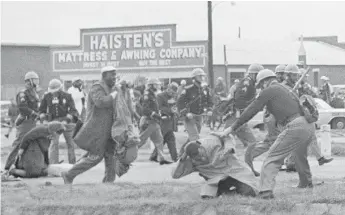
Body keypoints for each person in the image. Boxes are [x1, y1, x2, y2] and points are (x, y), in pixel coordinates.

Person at [214, 69, 318, 199]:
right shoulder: (284, 88)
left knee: (272, 158)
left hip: (295, 124)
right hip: (308, 125)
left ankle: (265, 191)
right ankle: (306, 183)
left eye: (261, 85)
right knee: (299, 155)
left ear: (266, 81)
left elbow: (251, 110)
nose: (260, 88)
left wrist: (231, 128)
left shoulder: (269, 90)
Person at [61, 66, 119, 184]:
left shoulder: (112, 88)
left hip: (110, 129)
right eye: (111, 74)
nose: (114, 77)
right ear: (104, 76)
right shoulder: (97, 87)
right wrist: (114, 95)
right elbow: (100, 102)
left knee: (111, 155)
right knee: (95, 157)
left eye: (115, 74)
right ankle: (69, 174)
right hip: (97, 129)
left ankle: (109, 182)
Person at [172, 135, 258, 199]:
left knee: (250, 192)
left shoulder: (212, 142)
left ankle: (234, 192)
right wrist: (183, 158)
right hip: (216, 180)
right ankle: (227, 193)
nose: (202, 158)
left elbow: (227, 136)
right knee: (207, 197)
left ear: (201, 147)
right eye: (198, 158)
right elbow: (175, 175)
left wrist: (228, 148)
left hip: (235, 172)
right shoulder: (191, 161)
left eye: (201, 154)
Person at [4, 71, 40, 170]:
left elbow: (36, 106)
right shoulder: (22, 93)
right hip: (25, 122)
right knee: (19, 143)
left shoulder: (34, 92)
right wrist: (34, 113)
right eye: (35, 79)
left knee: (31, 143)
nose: (37, 81)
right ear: (29, 81)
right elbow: (23, 107)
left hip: (33, 122)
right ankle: (8, 166)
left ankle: (24, 165)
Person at [39, 79, 78, 164]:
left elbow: (73, 110)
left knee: (70, 143)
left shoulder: (67, 96)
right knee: (54, 143)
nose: (53, 93)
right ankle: (54, 164)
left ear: (60, 89)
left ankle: (72, 164)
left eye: (55, 91)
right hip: (53, 122)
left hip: (66, 122)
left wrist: (66, 120)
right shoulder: (47, 96)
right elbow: (41, 110)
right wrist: (44, 120)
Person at [223, 64, 263, 148]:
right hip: (236, 114)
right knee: (225, 138)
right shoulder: (247, 83)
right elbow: (240, 100)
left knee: (251, 142)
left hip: (239, 115)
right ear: (253, 74)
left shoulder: (250, 82)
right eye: (258, 75)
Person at [177, 68, 213, 155]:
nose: (202, 77)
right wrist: (186, 112)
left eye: (202, 76)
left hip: (200, 116)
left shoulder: (205, 89)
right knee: (195, 137)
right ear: (194, 78)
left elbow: (210, 102)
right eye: (199, 76)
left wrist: (209, 109)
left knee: (191, 138)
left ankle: (182, 153)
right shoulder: (188, 89)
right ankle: (196, 156)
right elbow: (180, 103)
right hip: (190, 117)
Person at [138, 78, 172, 165]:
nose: (158, 86)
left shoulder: (153, 95)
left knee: (160, 139)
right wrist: (155, 115)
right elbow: (145, 110)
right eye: (156, 84)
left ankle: (162, 158)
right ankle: (124, 156)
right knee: (141, 140)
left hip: (154, 122)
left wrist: (162, 114)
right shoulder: (147, 95)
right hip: (148, 121)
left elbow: (155, 108)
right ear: (151, 85)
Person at [149, 82, 179, 162]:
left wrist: (175, 111)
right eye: (170, 90)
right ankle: (174, 157)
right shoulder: (160, 96)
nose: (171, 92)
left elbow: (174, 107)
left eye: (173, 92)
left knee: (166, 139)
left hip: (170, 122)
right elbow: (158, 107)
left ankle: (155, 156)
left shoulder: (173, 97)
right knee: (166, 139)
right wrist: (170, 110)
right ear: (167, 88)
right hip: (162, 121)